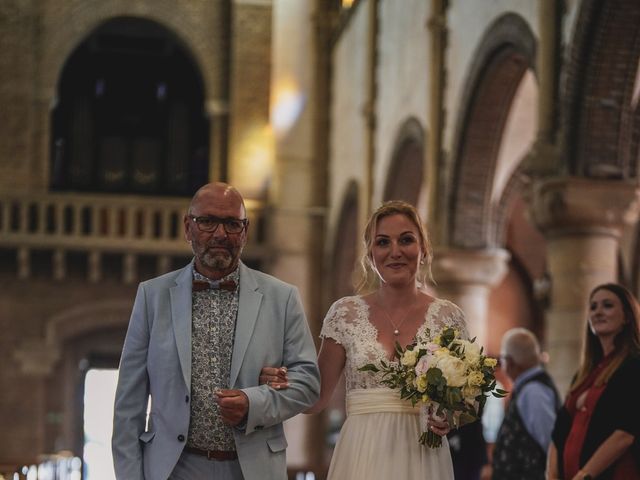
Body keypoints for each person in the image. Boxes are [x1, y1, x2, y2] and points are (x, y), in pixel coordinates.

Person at [112, 182, 320, 480]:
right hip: (173, 468)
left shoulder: (282, 298)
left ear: (245, 231)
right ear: (188, 227)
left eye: (232, 224)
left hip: (251, 469)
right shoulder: (152, 296)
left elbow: (308, 384)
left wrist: (253, 404)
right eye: (207, 221)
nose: (220, 234)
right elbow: (128, 406)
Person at [261, 200, 466, 479]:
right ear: (370, 255)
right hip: (362, 451)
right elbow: (317, 398)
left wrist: (449, 418)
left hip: (422, 454)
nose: (395, 252)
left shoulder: (448, 316)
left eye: (406, 240)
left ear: (424, 249)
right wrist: (283, 384)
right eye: (383, 242)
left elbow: (464, 400)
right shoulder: (345, 313)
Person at [548, 283, 640, 480]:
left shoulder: (634, 366)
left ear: (627, 316)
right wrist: (553, 475)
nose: (598, 312)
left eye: (607, 305)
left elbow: (625, 434)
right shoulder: (584, 373)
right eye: (593, 306)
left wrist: (584, 475)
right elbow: (559, 431)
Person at [491, 328, 560, 480]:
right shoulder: (527, 388)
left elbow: (550, 442)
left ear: (510, 362)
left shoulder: (533, 391)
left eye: (502, 359)